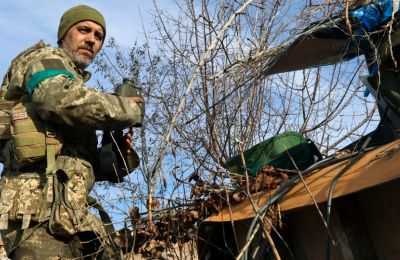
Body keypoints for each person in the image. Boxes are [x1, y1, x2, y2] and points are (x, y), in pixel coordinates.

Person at [0, 5, 143, 259]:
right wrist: (126, 109)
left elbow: (84, 164)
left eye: (99, 36)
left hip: (71, 217)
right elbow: (55, 99)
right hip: (36, 218)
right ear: (64, 34)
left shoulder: (76, 91)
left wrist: (117, 156)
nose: (91, 39)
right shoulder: (42, 59)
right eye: (84, 30)